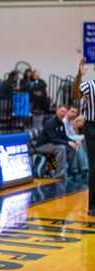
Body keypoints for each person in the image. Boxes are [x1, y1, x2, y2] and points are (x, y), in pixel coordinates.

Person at [72, 57, 95, 215]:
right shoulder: (89, 85)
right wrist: (79, 75)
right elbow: (74, 96)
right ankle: (93, 206)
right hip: (92, 127)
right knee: (94, 166)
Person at [35, 105, 80, 178]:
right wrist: (68, 143)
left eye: (65, 112)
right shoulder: (50, 122)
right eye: (62, 111)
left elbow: (65, 137)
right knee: (61, 148)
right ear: (57, 111)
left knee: (72, 147)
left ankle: (73, 170)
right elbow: (53, 139)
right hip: (42, 145)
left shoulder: (61, 123)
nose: (63, 114)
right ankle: (60, 173)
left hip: (52, 144)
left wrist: (74, 141)